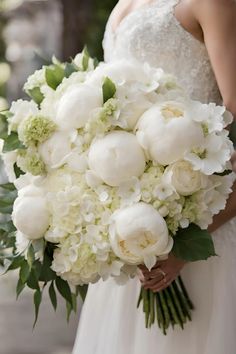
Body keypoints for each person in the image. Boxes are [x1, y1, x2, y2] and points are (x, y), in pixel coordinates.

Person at [73, 1, 236, 353]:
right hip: (131, 232)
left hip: (201, 224)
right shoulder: (123, 4)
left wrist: (185, 243)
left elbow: (232, 112)